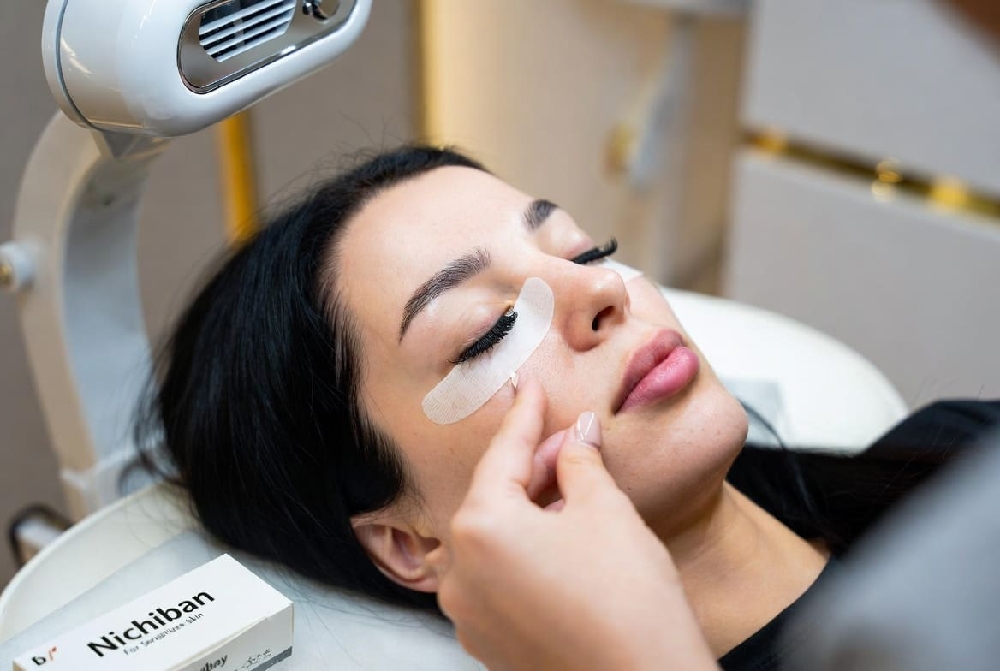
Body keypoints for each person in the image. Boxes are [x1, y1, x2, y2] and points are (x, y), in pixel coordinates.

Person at [137, 146, 991, 669]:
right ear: (413, 539)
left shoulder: (963, 456)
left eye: (585, 249)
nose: (599, 290)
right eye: (490, 330)